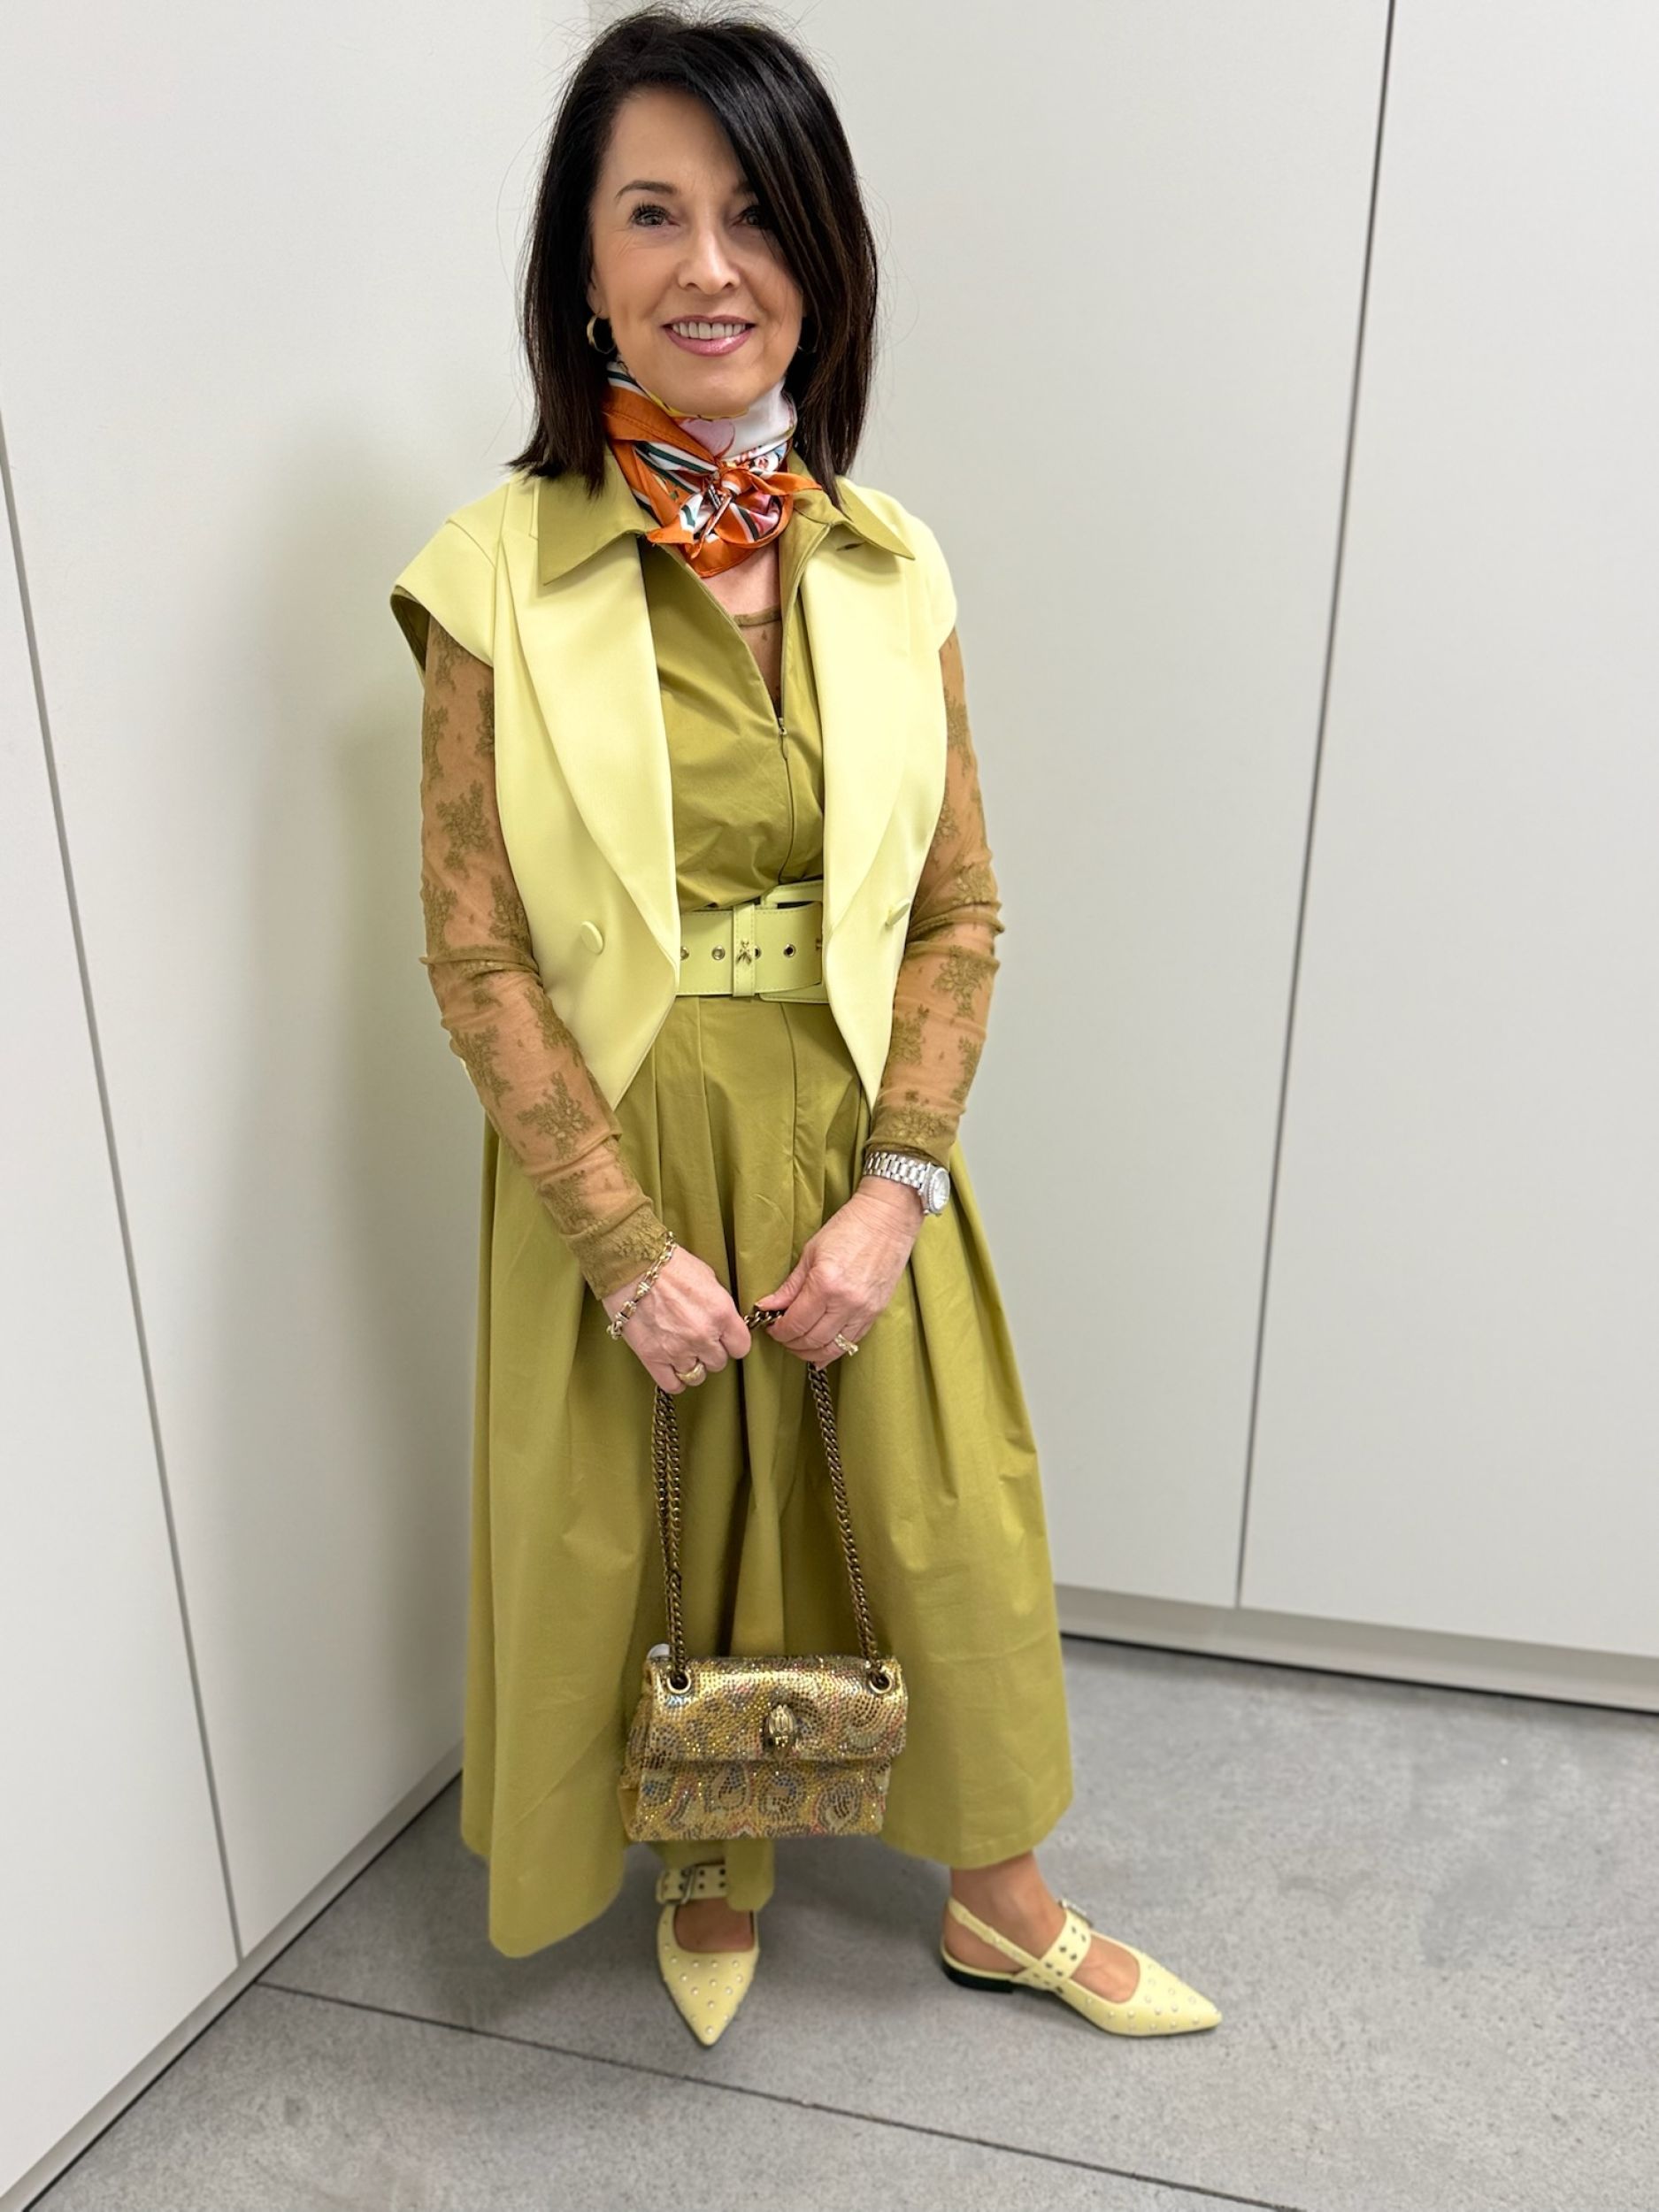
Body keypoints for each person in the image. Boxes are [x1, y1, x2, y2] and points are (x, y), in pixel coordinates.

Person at [390, 5, 1220, 2047]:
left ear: (820, 259)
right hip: (624, 1133)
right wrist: (615, 1238)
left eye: (756, 214)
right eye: (650, 213)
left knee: (937, 1519)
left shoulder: (885, 560)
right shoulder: (492, 574)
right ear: (578, 268)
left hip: (861, 1135)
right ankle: (717, 1851)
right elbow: (477, 950)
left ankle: (998, 1899)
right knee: (673, 1522)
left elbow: (957, 905)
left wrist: (894, 1185)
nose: (708, 265)